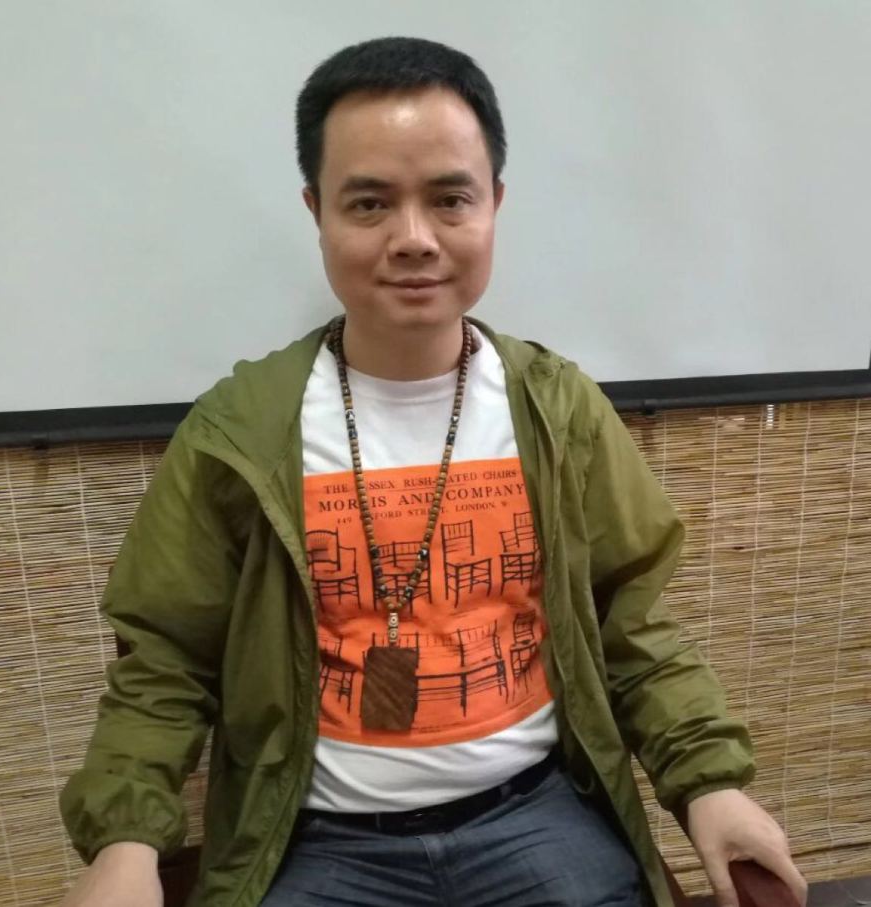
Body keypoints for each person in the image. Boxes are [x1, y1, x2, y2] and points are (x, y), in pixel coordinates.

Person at [59, 36, 807, 907]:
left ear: (494, 204)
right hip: (316, 839)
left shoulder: (556, 410)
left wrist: (708, 783)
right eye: (369, 203)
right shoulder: (241, 430)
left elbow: (629, 626)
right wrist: (124, 843)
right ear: (316, 212)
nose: (413, 239)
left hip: (534, 813)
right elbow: (165, 660)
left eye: (449, 199)